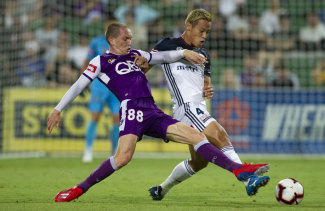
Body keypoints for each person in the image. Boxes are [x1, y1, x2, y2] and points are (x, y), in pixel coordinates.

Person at [48, 23, 270, 202]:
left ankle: (239, 171)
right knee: (123, 158)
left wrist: (184, 52)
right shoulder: (101, 61)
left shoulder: (136, 54)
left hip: (152, 110)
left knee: (198, 136)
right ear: (112, 40)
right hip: (132, 109)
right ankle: (79, 189)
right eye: (125, 38)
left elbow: (165, 57)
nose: (130, 42)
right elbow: (78, 84)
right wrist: (58, 109)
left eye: (131, 38)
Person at [147, 9, 270, 201]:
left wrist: (208, 89)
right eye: (201, 31)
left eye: (207, 33)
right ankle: (248, 179)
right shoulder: (166, 45)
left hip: (199, 107)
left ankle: (160, 189)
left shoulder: (204, 53)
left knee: (199, 163)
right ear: (188, 26)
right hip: (185, 108)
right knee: (221, 135)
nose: (204, 36)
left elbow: (206, 84)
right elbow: (145, 64)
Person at [80, 15, 120, 163]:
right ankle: (88, 150)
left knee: (117, 119)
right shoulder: (96, 42)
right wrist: (83, 82)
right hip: (98, 86)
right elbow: (86, 62)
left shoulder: (124, 43)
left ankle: (115, 151)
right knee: (94, 116)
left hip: (116, 86)